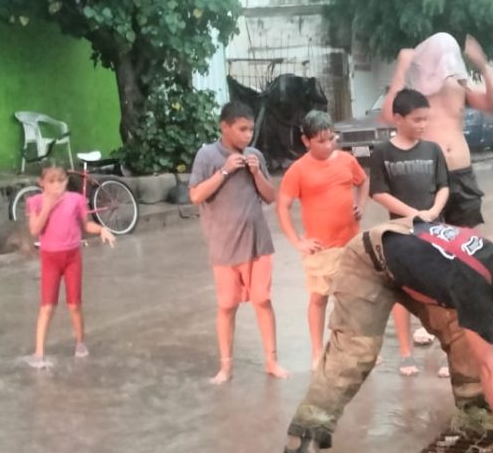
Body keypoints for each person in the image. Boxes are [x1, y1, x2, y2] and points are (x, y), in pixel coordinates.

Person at [280, 219, 493, 453]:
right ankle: (302, 443)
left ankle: (476, 409)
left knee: (463, 332)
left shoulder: (491, 260)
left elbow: (485, 342)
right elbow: (491, 368)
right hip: (369, 260)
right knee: (356, 351)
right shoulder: (473, 284)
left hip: (406, 258)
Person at [381, 32, 493, 354]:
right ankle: (427, 323)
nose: (444, 60)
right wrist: (401, 67)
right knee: (424, 252)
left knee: (470, 252)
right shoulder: (413, 91)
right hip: (425, 175)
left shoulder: (457, 84)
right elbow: (390, 114)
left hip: (462, 174)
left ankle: (481, 320)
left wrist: (483, 65)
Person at [189, 102, 288, 383]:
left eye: (251, 129)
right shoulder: (207, 155)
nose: (248, 135)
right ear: (225, 127)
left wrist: (256, 173)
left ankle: (271, 360)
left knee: (263, 300)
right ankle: (226, 366)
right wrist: (224, 171)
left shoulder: (254, 155)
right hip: (223, 245)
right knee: (226, 306)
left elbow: (270, 196)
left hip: (257, 243)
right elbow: (195, 196)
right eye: (242, 129)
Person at [277, 110, 369, 370]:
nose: (329, 145)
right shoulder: (298, 171)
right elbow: (283, 207)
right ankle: (317, 352)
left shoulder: (347, 161)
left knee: (353, 298)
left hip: (351, 244)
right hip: (320, 248)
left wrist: (360, 205)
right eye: (321, 141)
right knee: (319, 299)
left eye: (332, 138)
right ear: (306, 140)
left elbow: (363, 182)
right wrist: (298, 241)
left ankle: (355, 349)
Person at [370, 89, 450, 376]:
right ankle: (406, 353)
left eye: (425, 120)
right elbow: (378, 193)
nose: (422, 125)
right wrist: (412, 214)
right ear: (398, 118)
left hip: (434, 231)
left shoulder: (433, 150)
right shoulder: (383, 152)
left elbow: (444, 186)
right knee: (402, 293)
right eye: (417, 120)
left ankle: (447, 354)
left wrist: (432, 211)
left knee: (440, 293)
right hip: (400, 234)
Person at [24, 163, 116, 369]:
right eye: (51, 181)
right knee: (47, 306)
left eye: (61, 180)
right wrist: (48, 205)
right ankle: (39, 352)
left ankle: (80, 343)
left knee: (74, 304)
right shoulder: (35, 202)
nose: (57, 185)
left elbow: (86, 225)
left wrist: (101, 229)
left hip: (72, 256)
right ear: (42, 183)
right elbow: (35, 230)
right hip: (50, 258)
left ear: (67, 181)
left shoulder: (76, 200)